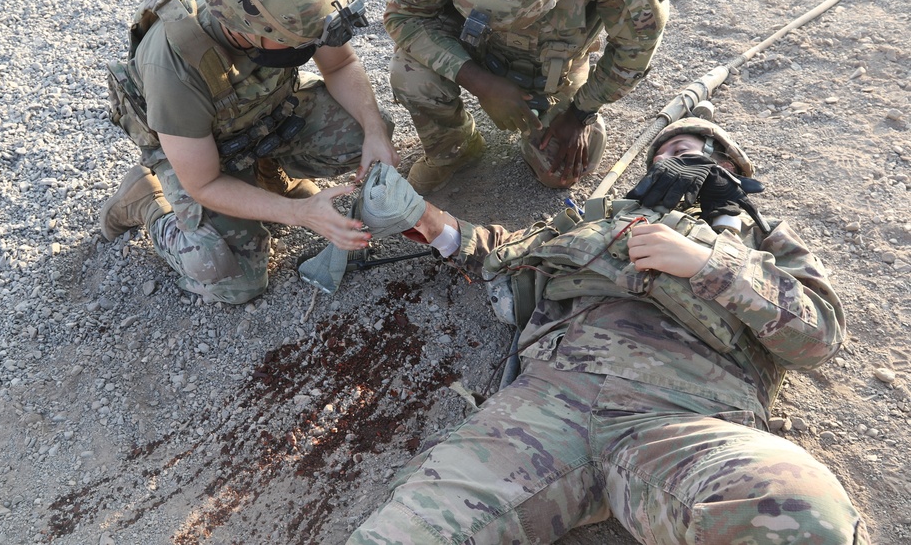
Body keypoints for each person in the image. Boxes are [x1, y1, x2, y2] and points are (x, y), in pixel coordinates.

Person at [348, 118, 869, 544]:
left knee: (807, 514)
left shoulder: (766, 241)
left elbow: (819, 338)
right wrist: (427, 219)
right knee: (403, 532)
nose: (670, 156)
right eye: (662, 153)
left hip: (683, 417)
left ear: (727, 164)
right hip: (545, 405)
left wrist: (710, 262)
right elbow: (505, 252)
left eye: (688, 148)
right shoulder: (602, 219)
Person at [98, 0, 398, 305]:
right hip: (203, 156)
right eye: (295, 39)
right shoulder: (174, 63)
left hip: (265, 114)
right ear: (244, 27)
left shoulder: (291, 6)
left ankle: (267, 172)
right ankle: (145, 202)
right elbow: (202, 183)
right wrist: (301, 213)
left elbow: (341, 64)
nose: (309, 43)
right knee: (232, 277)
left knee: (361, 135)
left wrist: (375, 132)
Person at [385, 0, 669, 193]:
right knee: (410, 74)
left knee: (558, 169)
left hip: (555, 63)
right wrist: (480, 82)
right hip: (472, 47)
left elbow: (636, 49)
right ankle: (454, 148)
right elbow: (404, 15)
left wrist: (580, 113)